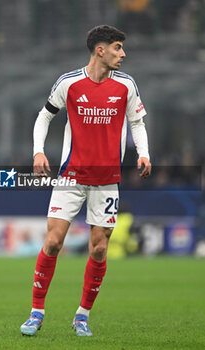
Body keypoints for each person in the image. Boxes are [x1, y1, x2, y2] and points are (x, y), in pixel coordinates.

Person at [20, 24, 151, 337]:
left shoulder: (126, 85)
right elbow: (44, 116)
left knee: (98, 250)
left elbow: (137, 122)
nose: (123, 54)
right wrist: (38, 152)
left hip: (107, 180)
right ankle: (36, 312)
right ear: (100, 50)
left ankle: (82, 316)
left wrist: (143, 153)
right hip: (70, 177)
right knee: (53, 242)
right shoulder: (69, 83)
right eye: (118, 47)